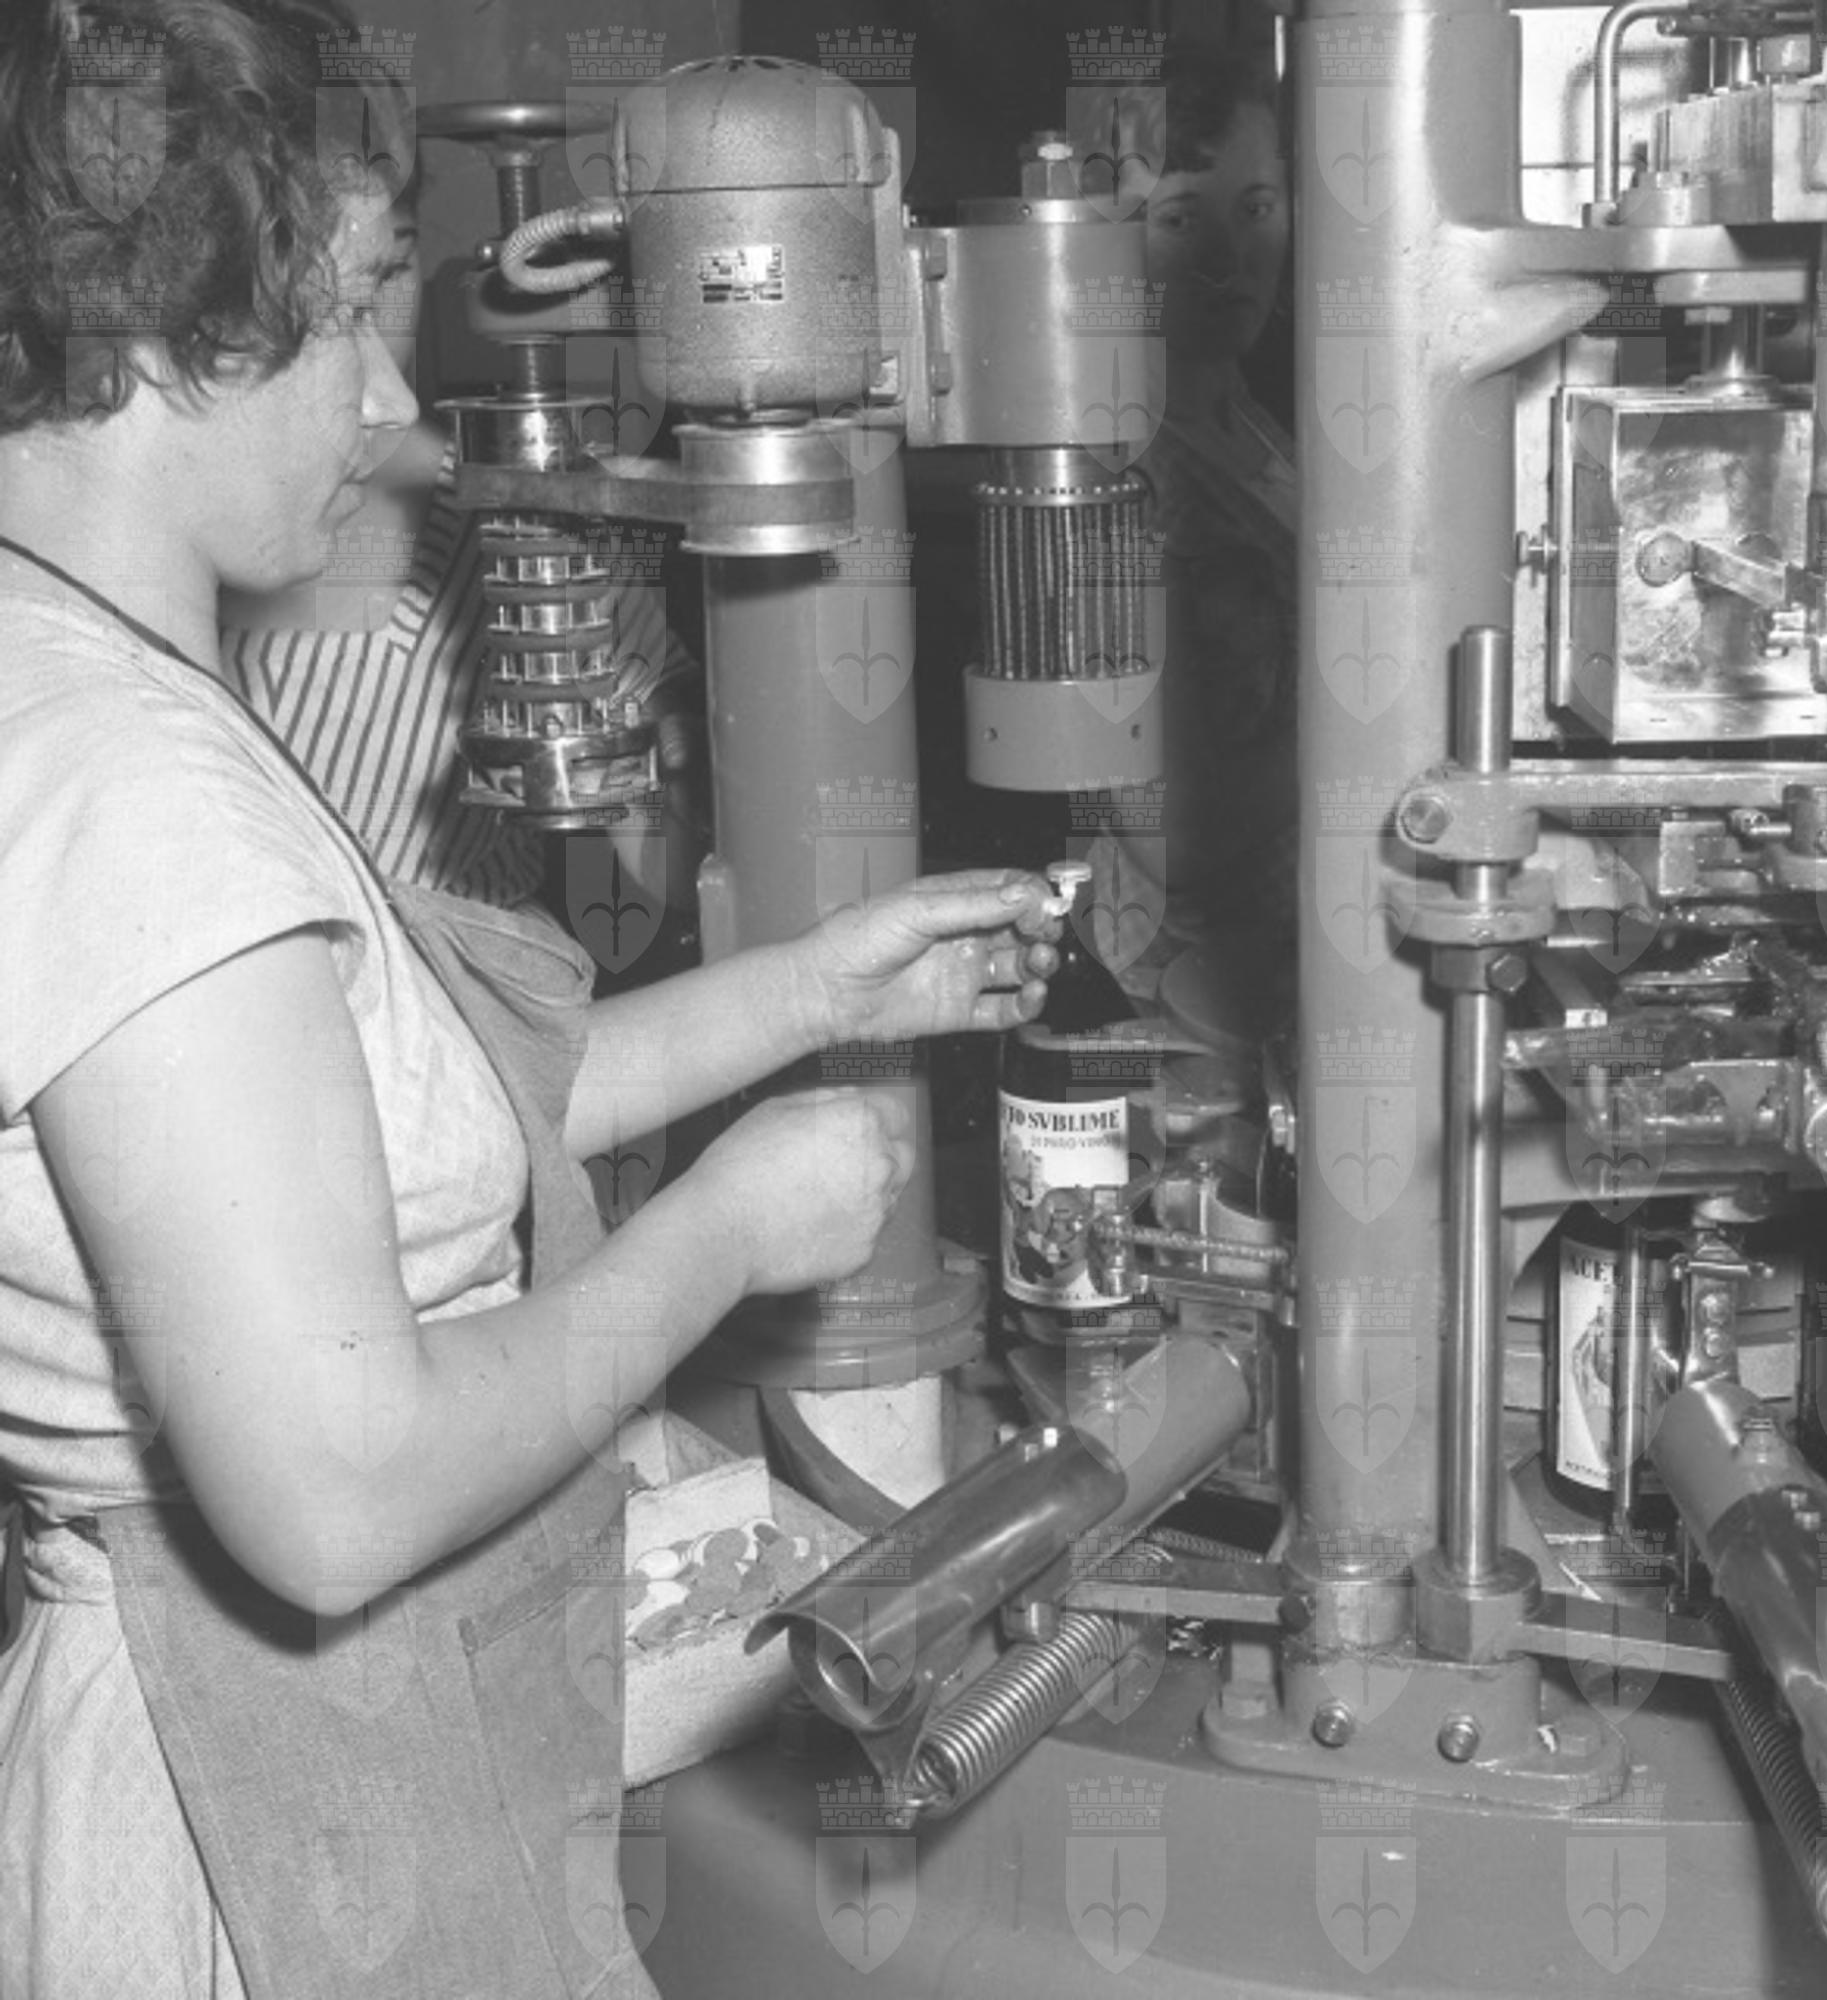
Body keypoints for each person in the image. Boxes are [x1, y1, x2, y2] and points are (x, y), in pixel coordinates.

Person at [0, 5, 1059, 1995]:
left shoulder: (78, 668)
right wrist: (719, 1235)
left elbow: (387, 1128)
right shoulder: (136, 796)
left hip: (307, 1743)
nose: (388, 389)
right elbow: (335, 1488)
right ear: (163, 337)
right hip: (254, 1802)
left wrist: (816, 987)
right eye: (346, 314)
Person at [215, 92, 703, 928]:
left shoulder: (519, 527)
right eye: (303, 289)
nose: (369, 354)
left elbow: (682, 871)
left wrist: (654, 760)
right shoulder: (130, 538)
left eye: (387, 273)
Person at [1093, 46, 1297, 1047]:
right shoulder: (1121, 480)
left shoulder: (1252, 421)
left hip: (1296, 941)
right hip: (1182, 997)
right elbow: (1171, 836)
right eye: (1179, 219)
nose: (1227, 258)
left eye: (1255, 207)